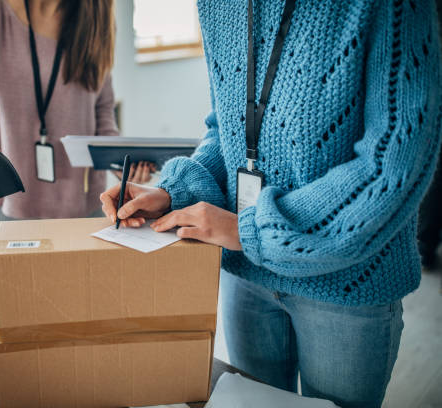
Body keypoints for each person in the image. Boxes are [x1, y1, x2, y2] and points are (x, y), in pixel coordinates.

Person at [101, 1, 441, 407]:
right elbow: (226, 129)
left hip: (347, 284)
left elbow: (393, 163)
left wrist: (252, 231)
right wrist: (174, 192)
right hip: (245, 276)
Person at [0, 0, 152, 235]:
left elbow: (101, 110)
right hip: (10, 210)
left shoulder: (98, 17)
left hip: (87, 209)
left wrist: (120, 162)